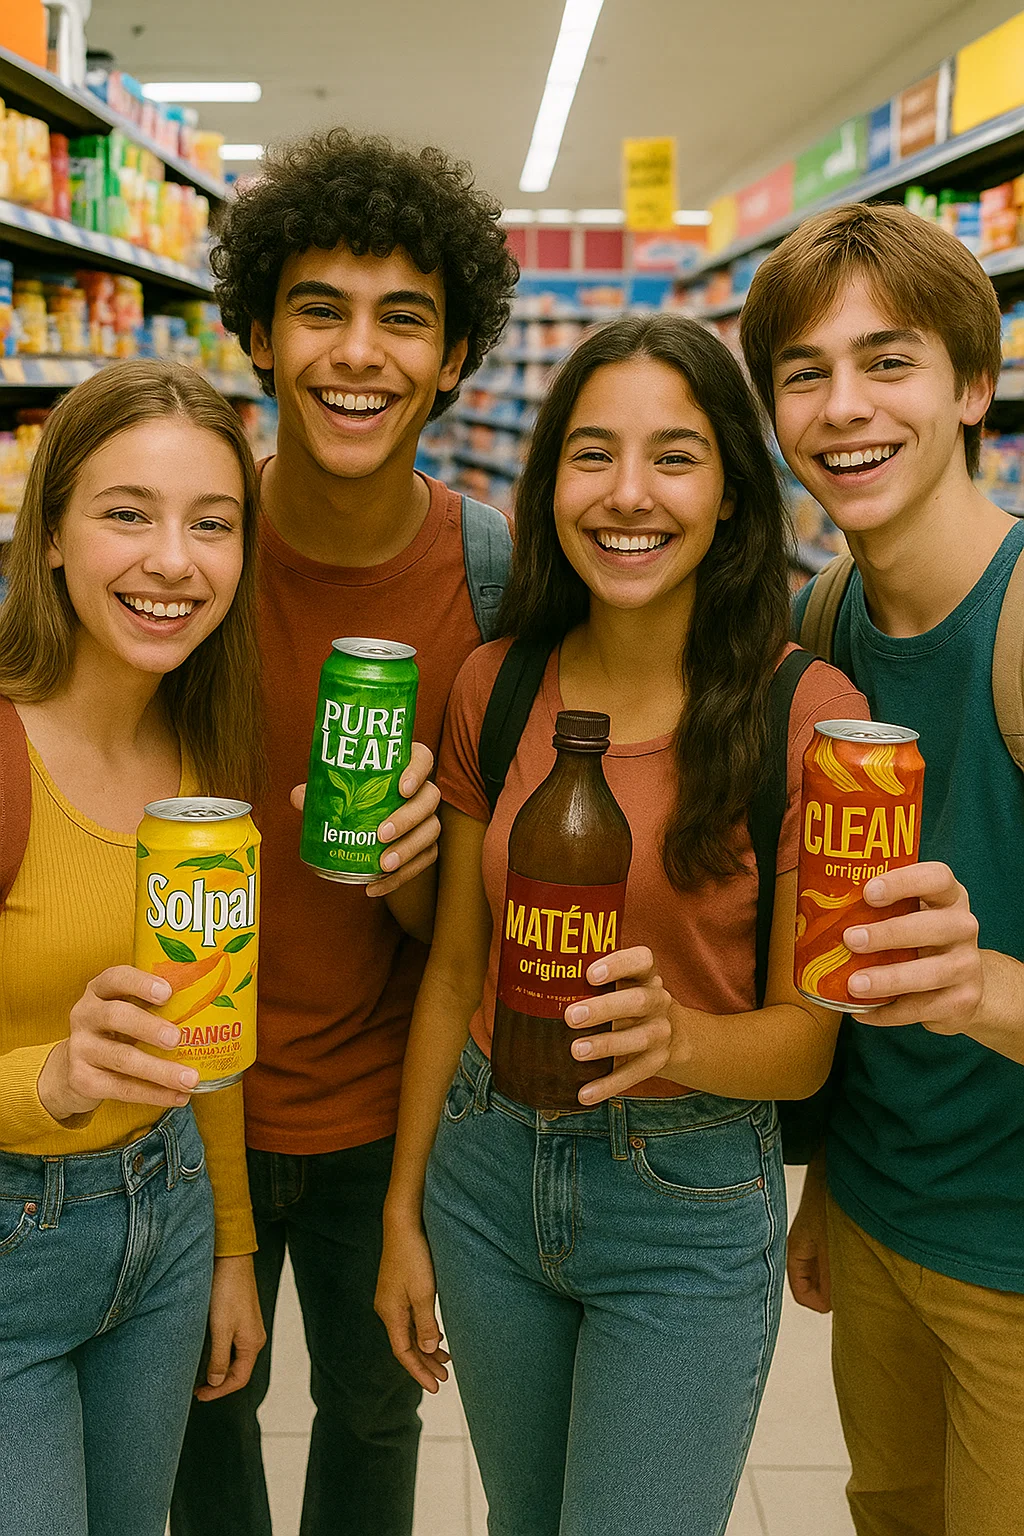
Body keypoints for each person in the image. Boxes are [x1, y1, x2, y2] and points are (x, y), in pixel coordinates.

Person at [375, 314, 868, 1536]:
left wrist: (675, 1039)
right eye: (592, 455)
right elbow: (451, 974)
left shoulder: (808, 713)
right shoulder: (493, 690)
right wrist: (404, 1211)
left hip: (686, 1201)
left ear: (732, 499)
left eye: (675, 456)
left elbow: (809, 1040)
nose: (628, 494)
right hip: (486, 1172)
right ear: (548, 489)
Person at [171, 130, 519, 1536]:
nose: (357, 354)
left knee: (377, 1424)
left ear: (452, 360)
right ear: (256, 329)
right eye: (320, 307)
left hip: (396, 1111)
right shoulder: (177, 554)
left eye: (405, 318)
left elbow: (480, 934)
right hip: (184, 1101)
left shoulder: (494, 578)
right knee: (202, 1427)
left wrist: (410, 884)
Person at [740, 200, 1024, 1536]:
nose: (844, 407)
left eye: (889, 361)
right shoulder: (824, 618)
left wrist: (981, 991)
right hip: (885, 1223)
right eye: (806, 372)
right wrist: (837, 1181)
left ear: (975, 383)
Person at [0, 360, 267, 1536]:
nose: (175, 560)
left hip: (165, 1228)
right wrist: (48, 1079)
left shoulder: (199, 755)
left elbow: (202, 1028)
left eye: (212, 524)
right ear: (50, 533)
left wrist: (230, 1251)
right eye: (127, 513)